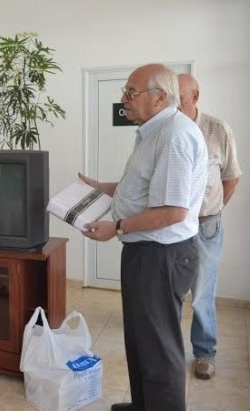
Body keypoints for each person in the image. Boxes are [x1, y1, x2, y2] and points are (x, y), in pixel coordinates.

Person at [80, 64, 207, 411]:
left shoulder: (174, 136)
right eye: (125, 91)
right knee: (140, 341)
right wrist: (101, 188)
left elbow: (173, 211)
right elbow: (142, 188)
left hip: (161, 255)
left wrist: (117, 227)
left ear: (160, 97)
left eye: (131, 93)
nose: (124, 100)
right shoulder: (152, 132)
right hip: (146, 252)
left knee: (159, 349)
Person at [178, 73, 242, 379]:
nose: (173, 103)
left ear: (195, 96)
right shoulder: (165, 129)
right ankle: (168, 352)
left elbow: (232, 177)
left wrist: (213, 211)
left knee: (202, 295)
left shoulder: (217, 129)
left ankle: (204, 353)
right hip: (172, 228)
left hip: (206, 226)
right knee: (170, 294)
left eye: (179, 97)